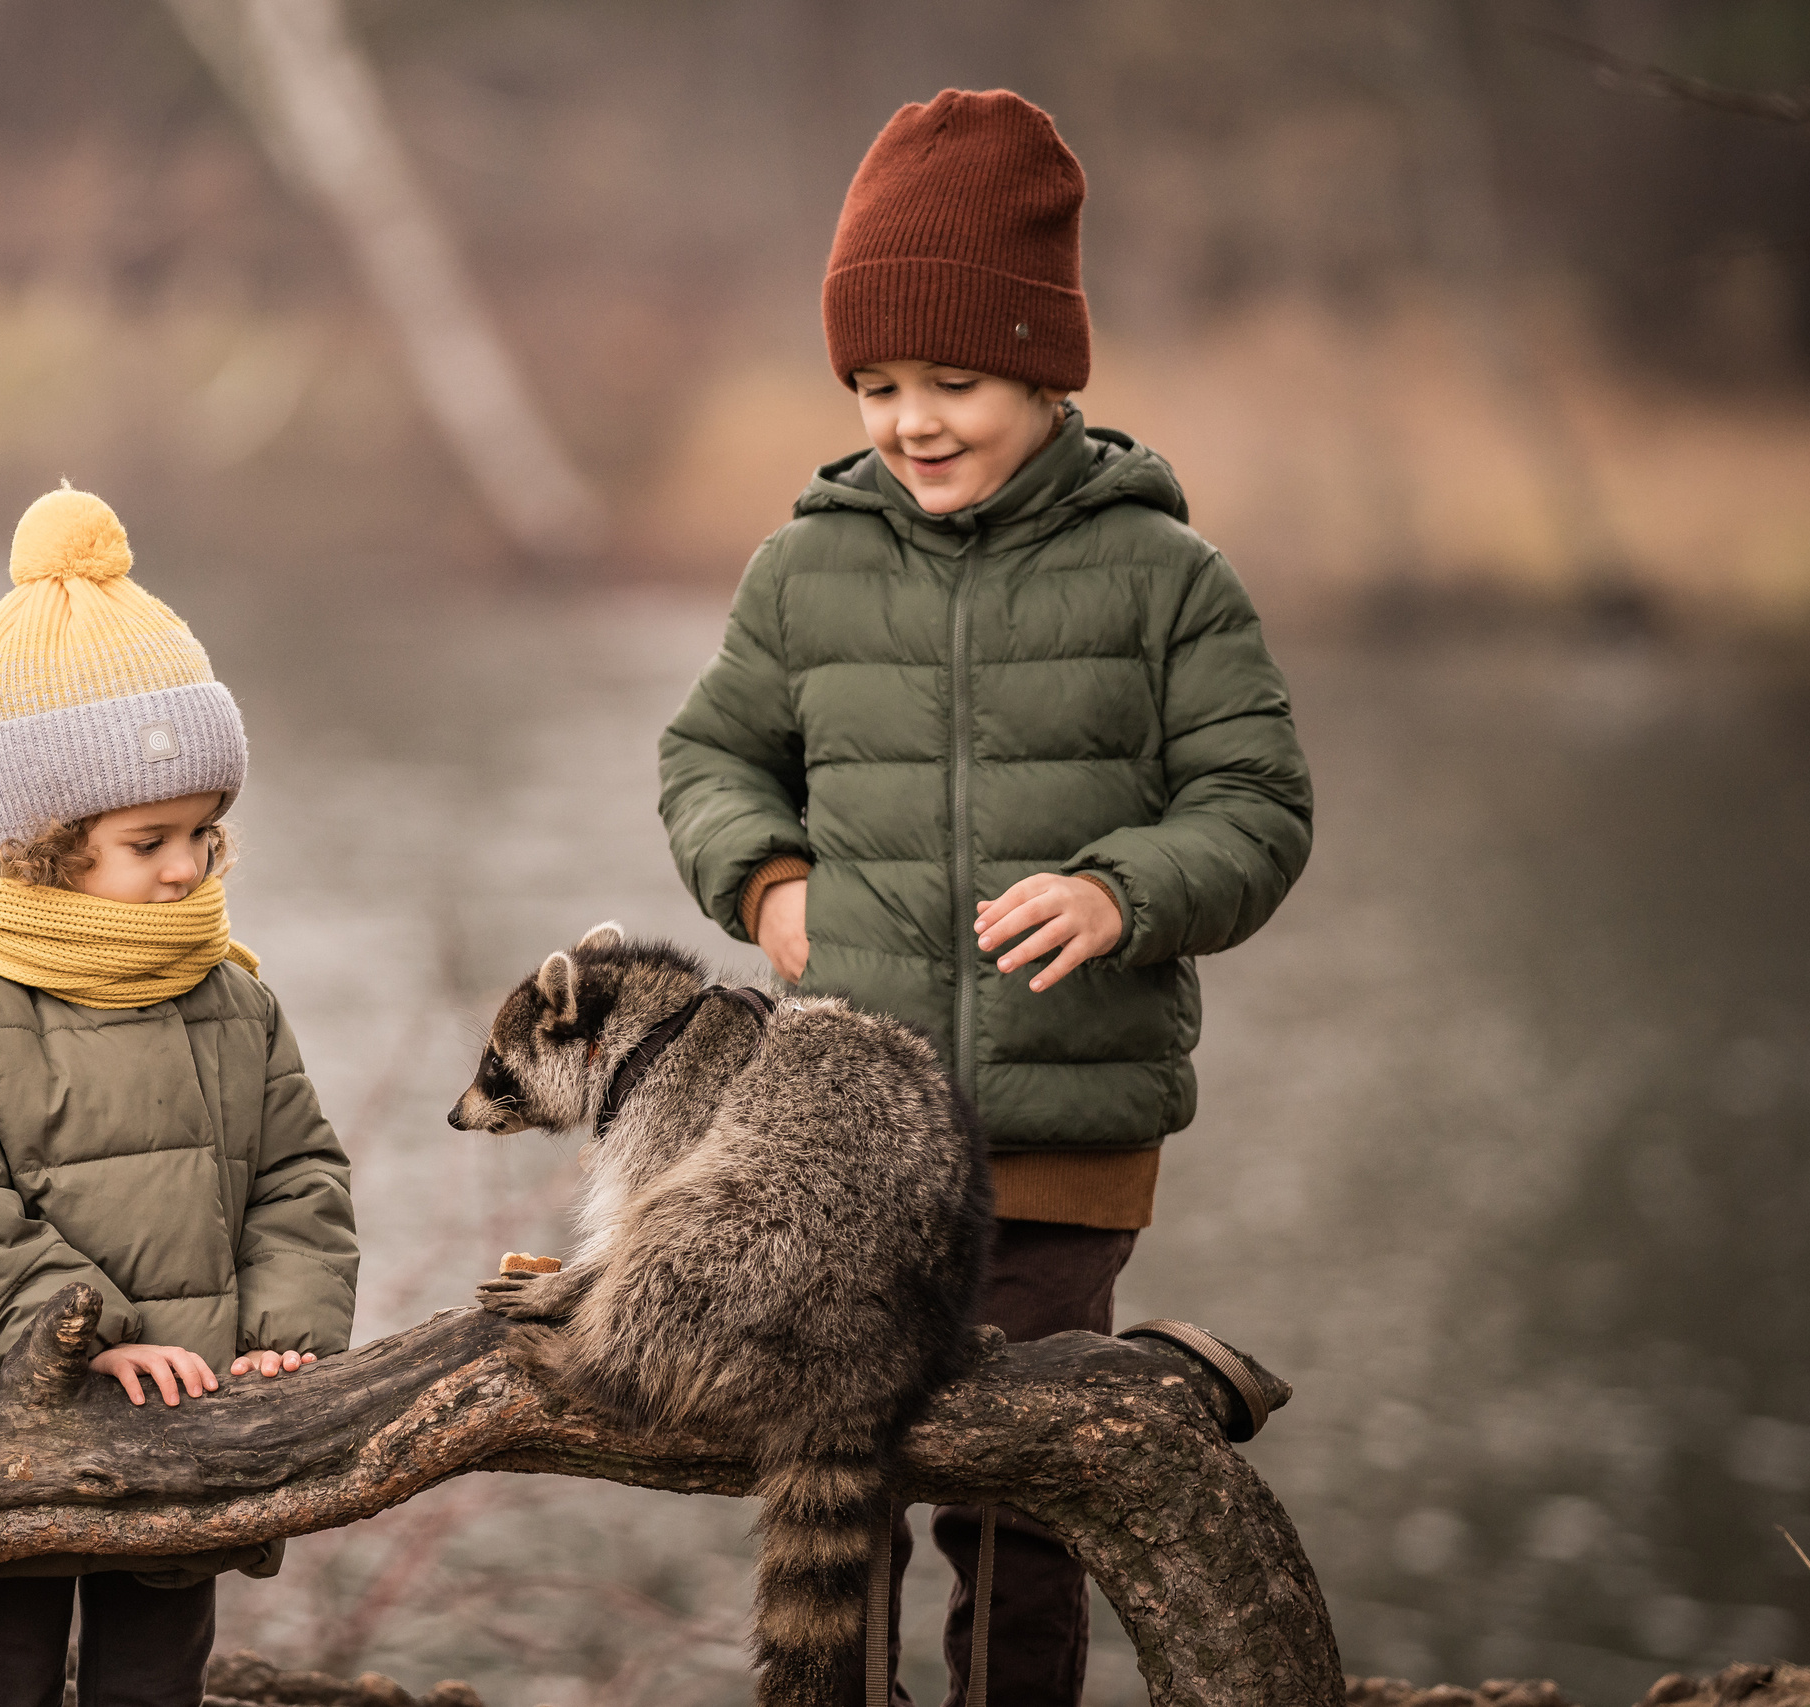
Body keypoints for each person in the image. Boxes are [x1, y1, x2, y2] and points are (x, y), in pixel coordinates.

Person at [656, 90, 1313, 1707]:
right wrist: (769, 878)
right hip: (844, 1146)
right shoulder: (805, 571)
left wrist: (1123, 891)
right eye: (877, 384)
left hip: (1059, 1144)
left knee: (1021, 1501)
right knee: (838, 1477)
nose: (911, 420)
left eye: (952, 380)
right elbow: (709, 756)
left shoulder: (1167, 580)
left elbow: (1256, 806)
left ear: (1045, 369)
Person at [0, 484, 358, 1707]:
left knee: (158, 1677)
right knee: (0, 1670)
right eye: (148, 841)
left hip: (191, 1415)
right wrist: (89, 1338)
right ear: (47, 843)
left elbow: (298, 1174)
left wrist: (282, 1332)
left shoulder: (229, 994)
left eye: (204, 835)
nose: (186, 870)